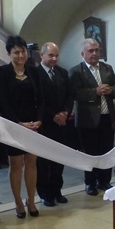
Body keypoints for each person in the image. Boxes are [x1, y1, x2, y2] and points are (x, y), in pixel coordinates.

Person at [0, 35, 44, 218]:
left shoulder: (34, 71)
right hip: (13, 124)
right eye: (16, 52)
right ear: (9, 54)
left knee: (32, 162)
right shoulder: (2, 72)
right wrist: (18, 123)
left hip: (33, 124)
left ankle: (31, 200)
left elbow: (41, 99)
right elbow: (2, 101)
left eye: (23, 51)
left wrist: (39, 120)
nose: (20, 55)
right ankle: (18, 202)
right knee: (16, 164)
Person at [70, 38, 115, 196]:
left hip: (106, 117)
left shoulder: (107, 68)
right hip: (88, 119)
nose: (94, 53)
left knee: (106, 150)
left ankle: (104, 181)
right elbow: (74, 93)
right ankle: (90, 183)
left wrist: (110, 90)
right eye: (90, 51)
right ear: (83, 53)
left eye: (97, 50)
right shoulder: (76, 71)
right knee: (90, 153)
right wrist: (95, 92)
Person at [36, 42, 74, 206]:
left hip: (62, 123)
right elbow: (39, 99)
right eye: (51, 55)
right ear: (41, 55)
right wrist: (53, 115)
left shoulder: (62, 72)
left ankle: (57, 190)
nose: (54, 59)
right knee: (44, 161)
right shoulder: (35, 73)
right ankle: (45, 194)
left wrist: (65, 112)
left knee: (59, 158)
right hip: (45, 123)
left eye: (56, 55)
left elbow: (69, 95)